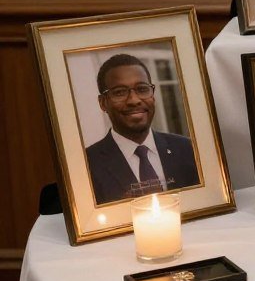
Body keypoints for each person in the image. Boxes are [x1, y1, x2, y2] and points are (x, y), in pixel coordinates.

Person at [85, 54, 200, 205]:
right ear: (103, 103)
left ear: (153, 95)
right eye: (119, 92)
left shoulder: (189, 150)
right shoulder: (86, 166)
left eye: (142, 89)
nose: (134, 100)